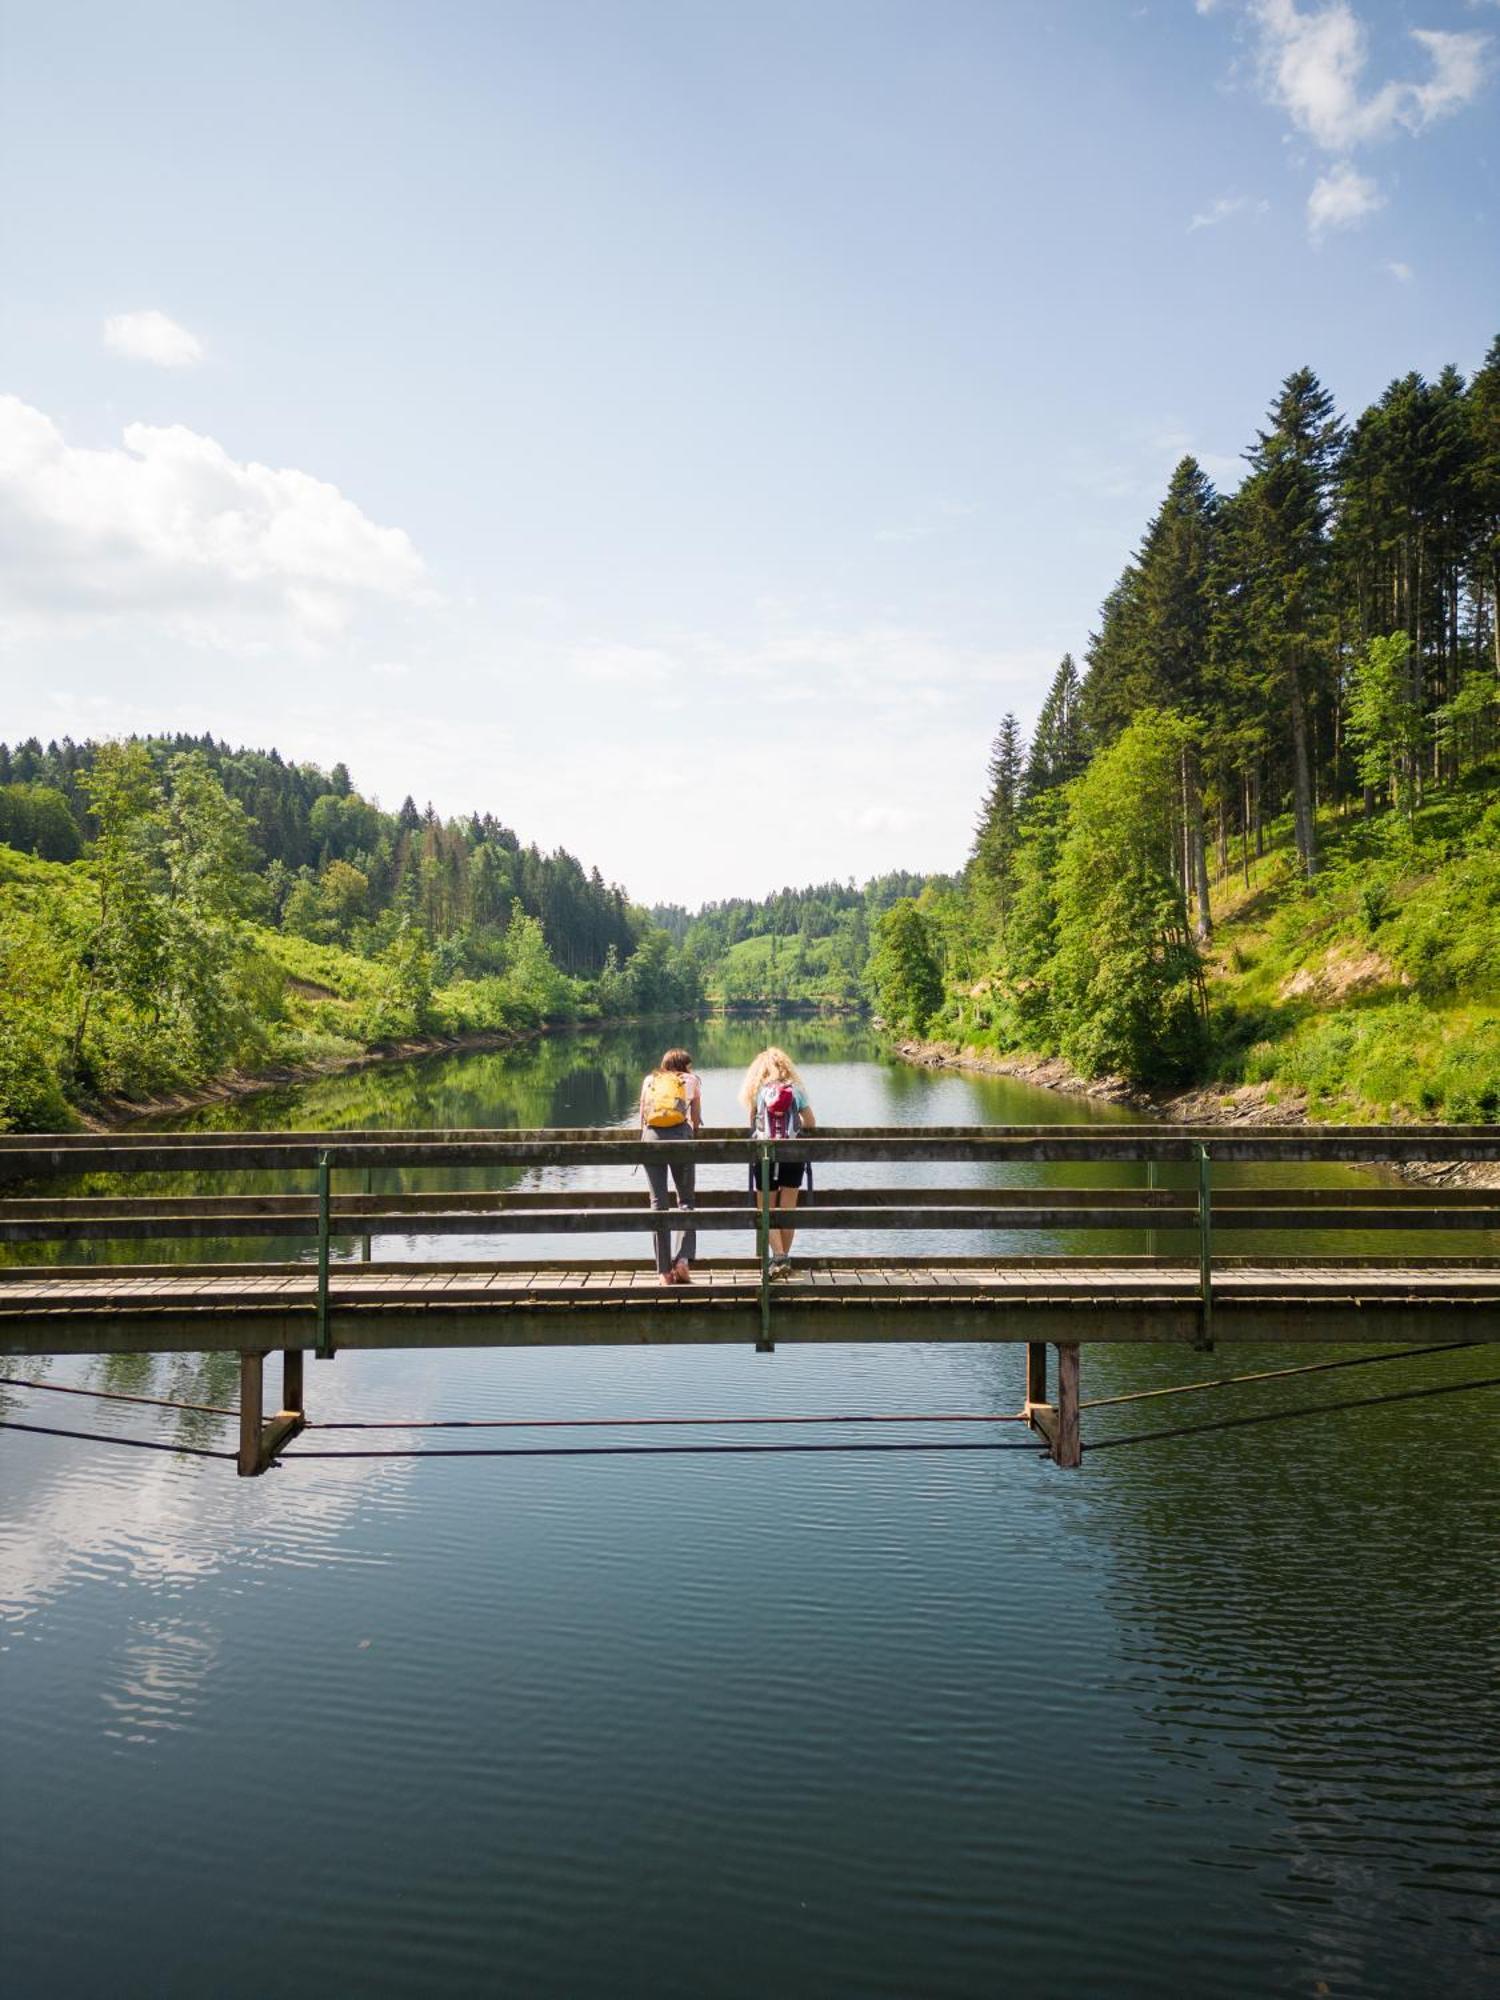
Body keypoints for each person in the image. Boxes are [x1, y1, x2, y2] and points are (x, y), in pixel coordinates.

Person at [740, 1046, 816, 1279]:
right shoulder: (796, 1090)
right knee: (788, 1209)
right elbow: (810, 1122)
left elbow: (752, 1125)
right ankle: (783, 1260)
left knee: (766, 1209)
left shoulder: (757, 1091)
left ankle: (779, 1256)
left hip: (765, 1155)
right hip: (793, 1156)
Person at [639, 1047, 701, 1285]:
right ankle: (683, 1261)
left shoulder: (650, 1080)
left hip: (652, 1139)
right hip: (681, 1139)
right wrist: (692, 1131)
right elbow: (695, 1119)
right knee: (686, 1201)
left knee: (658, 1205)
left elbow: (643, 1115)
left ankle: (664, 1272)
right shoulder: (691, 1080)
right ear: (685, 1065)